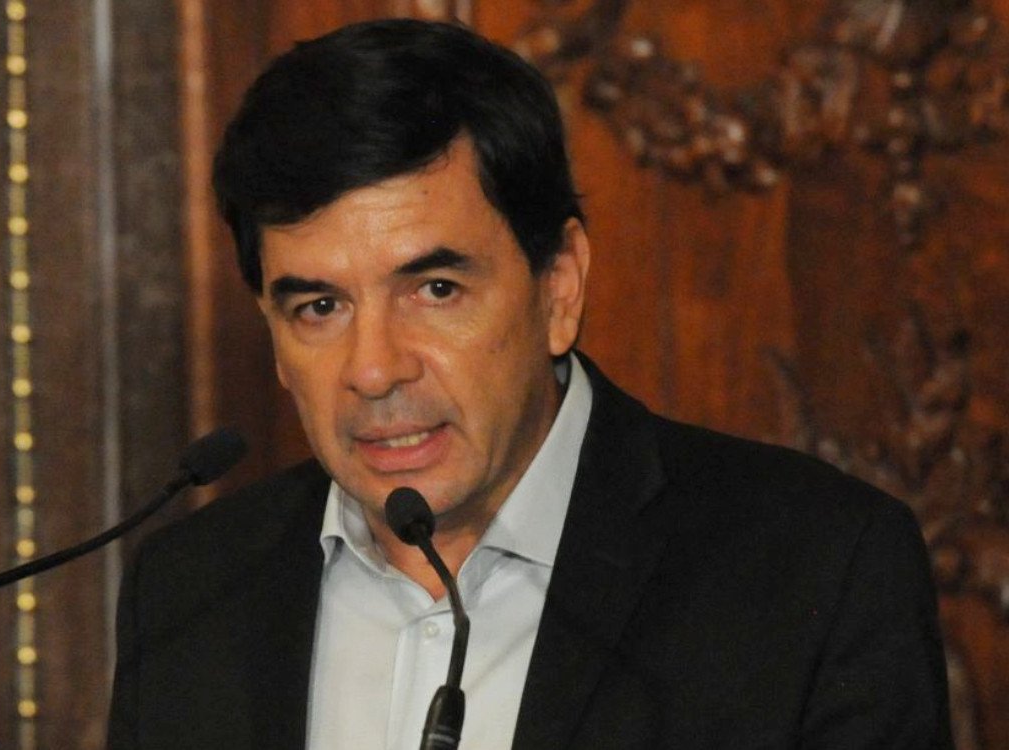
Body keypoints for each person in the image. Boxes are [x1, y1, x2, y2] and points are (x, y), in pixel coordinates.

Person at [107, 18, 952, 749]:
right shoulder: (192, 591)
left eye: (436, 290)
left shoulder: (816, 568)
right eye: (320, 307)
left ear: (559, 287)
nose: (374, 369)